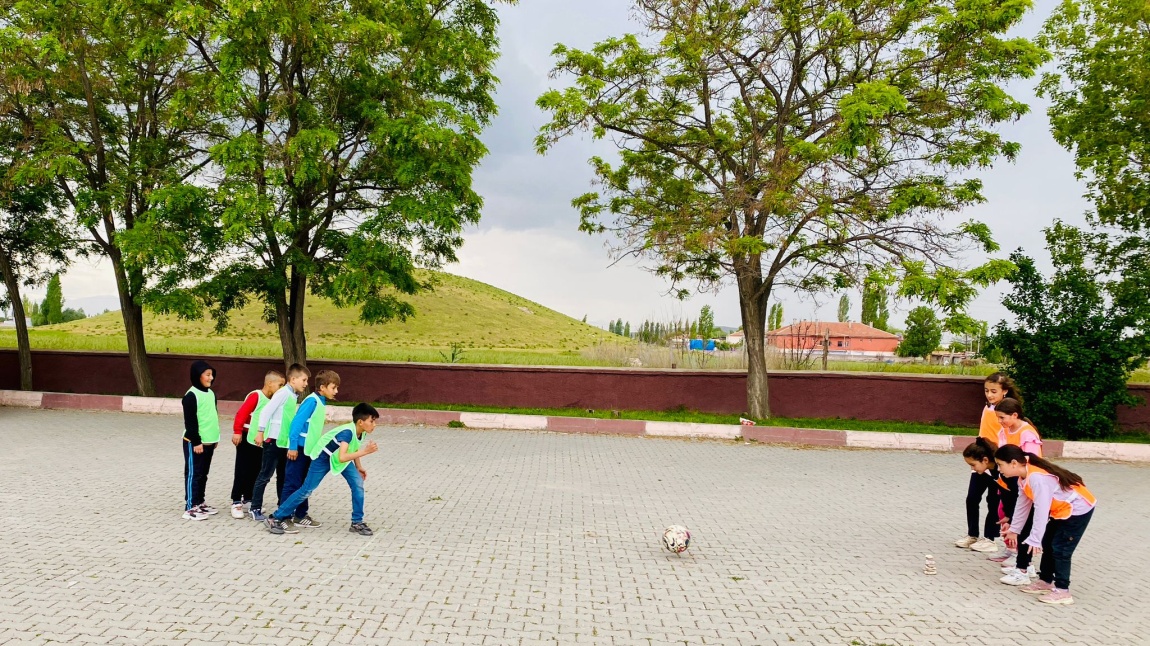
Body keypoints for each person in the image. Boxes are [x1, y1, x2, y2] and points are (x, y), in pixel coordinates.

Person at [995, 444, 1096, 605]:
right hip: (1060, 511)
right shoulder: (1023, 477)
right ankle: (1045, 581)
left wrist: (1034, 539)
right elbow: (1023, 505)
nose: (999, 469)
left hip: (1078, 510)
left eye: (1000, 465)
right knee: (1048, 543)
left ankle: (1063, 591)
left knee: (1061, 549)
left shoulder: (1037, 478)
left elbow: (1041, 511)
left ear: (1014, 463)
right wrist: (1014, 530)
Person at [265, 403, 380, 536]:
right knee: (306, 490)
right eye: (372, 421)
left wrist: (359, 467)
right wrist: (365, 452)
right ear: (360, 422)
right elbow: (343, 457)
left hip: (338, 458)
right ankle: (275, 517)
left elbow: (352, 449)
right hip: (323, 458)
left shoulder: (361, 432)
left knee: (358, 484)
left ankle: (357, 522)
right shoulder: (347, 432)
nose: (374, 424)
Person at [955, 374, 1018, 554]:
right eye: (986, 391)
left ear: (1004, 391)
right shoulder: (987, 407)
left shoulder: (1005, 411)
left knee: (993, 501)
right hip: (982, 459)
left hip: (996, 462)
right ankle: (972, 534)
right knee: (972, 498)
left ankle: (990, 539)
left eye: (993, 391)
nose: (989, 395)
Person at [993, 397, 1045, 585]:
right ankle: (1020, 560)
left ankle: (1025, 564)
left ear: (1015, 415)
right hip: (1011, 480)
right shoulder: (1004, 431)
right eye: (997, 418)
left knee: (1025, 522)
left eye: (1002, 417)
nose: (1000, 422)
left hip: (1022, 481)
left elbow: (1032, 461)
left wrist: (1019, 477)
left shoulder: (1027, 434)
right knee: (1014, 518)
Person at [249, 364, 310, 522]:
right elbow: (266, 411)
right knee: (265, 475)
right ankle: (255, 507)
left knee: (283, 477)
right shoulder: (283, 393)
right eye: (303, 380)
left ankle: (282, 507)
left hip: (284, 443)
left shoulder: (292, 395)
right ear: (293, 379)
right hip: (274, 441)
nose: (306, 383)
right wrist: (260, 432)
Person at [279, 370, 340, 528]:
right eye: (333, 387)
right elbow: (296, 424)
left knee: (304, 484)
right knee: (292, 483)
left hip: (309, 451)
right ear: (322, 387)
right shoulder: (311, 401)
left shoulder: (320, 401)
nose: (336, 391)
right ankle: (283, 517)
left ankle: (300, 515)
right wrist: (292, 446)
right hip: (298, 449)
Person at [227, 371, 285, 518]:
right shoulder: (256, 396)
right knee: (242, 470)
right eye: (280, 385)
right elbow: (242, 413)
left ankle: (248, 498)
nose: (282, 388)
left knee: (255, 470)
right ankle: (236, 502)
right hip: (246, 438)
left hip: (260, 442)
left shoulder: (273, 399)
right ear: (270, 383)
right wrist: (237, 431)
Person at [182, 360, 219, 521]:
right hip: (195, 442)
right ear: (198, 376)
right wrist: (196, 441)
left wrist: (215, 438)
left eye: (212, 375)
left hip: (209, 441)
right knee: (193, 474)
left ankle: (200, 502)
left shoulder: (210, 393)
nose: (211, 378)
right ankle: (190, 507)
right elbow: (190, 422)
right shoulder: (191, 396)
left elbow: (212, 416)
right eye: (207, 375)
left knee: (203, 474)